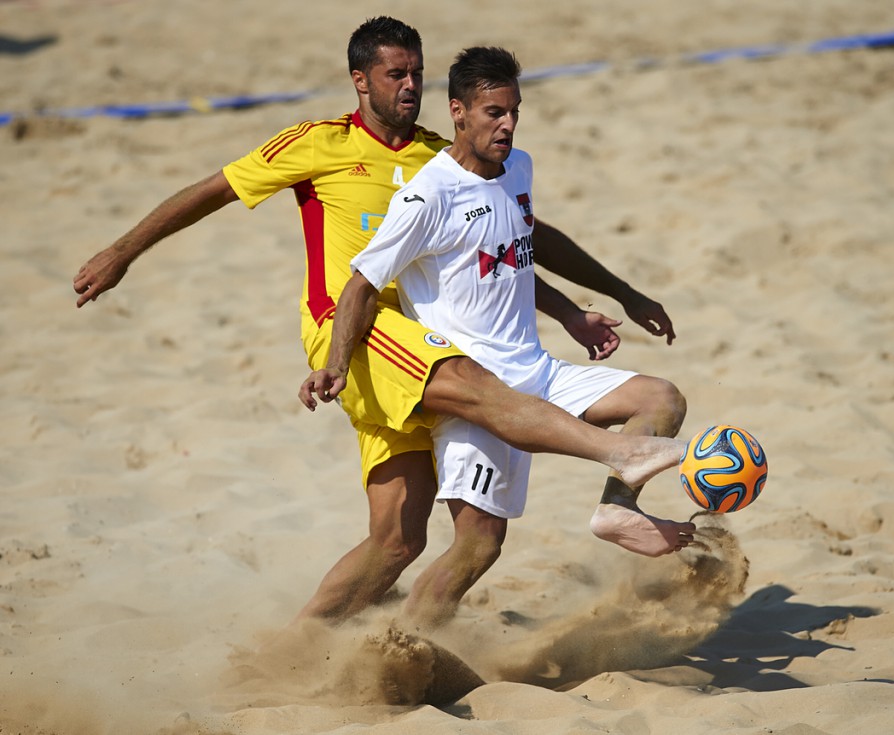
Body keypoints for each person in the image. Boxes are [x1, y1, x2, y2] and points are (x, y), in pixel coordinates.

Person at [73, 17, 692, 628]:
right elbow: (215, 190)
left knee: (397, 539)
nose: (410, 85)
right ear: (360, 80)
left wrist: (582, 306)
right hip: (355, 330)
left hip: (425, 340)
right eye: (396, 73)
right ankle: (623, 454)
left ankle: (295, 651)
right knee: (479, 389)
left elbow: (512, 240)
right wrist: (122, 252)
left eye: (418, 73)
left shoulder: (442, 155)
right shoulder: (320, 143)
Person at [300, 45, 691, 629]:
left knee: (661, 398)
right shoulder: (428, 196)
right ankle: (403, 644)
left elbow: (517, 250)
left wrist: (588, 308)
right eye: (493, 113)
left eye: (514, 112)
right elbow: (360, 285)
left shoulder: (519, 168)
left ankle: (618, 509)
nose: (507, 125)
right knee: (478, 547)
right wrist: (334, 364)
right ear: (458, 113)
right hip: (479, 395)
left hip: (537, 370)